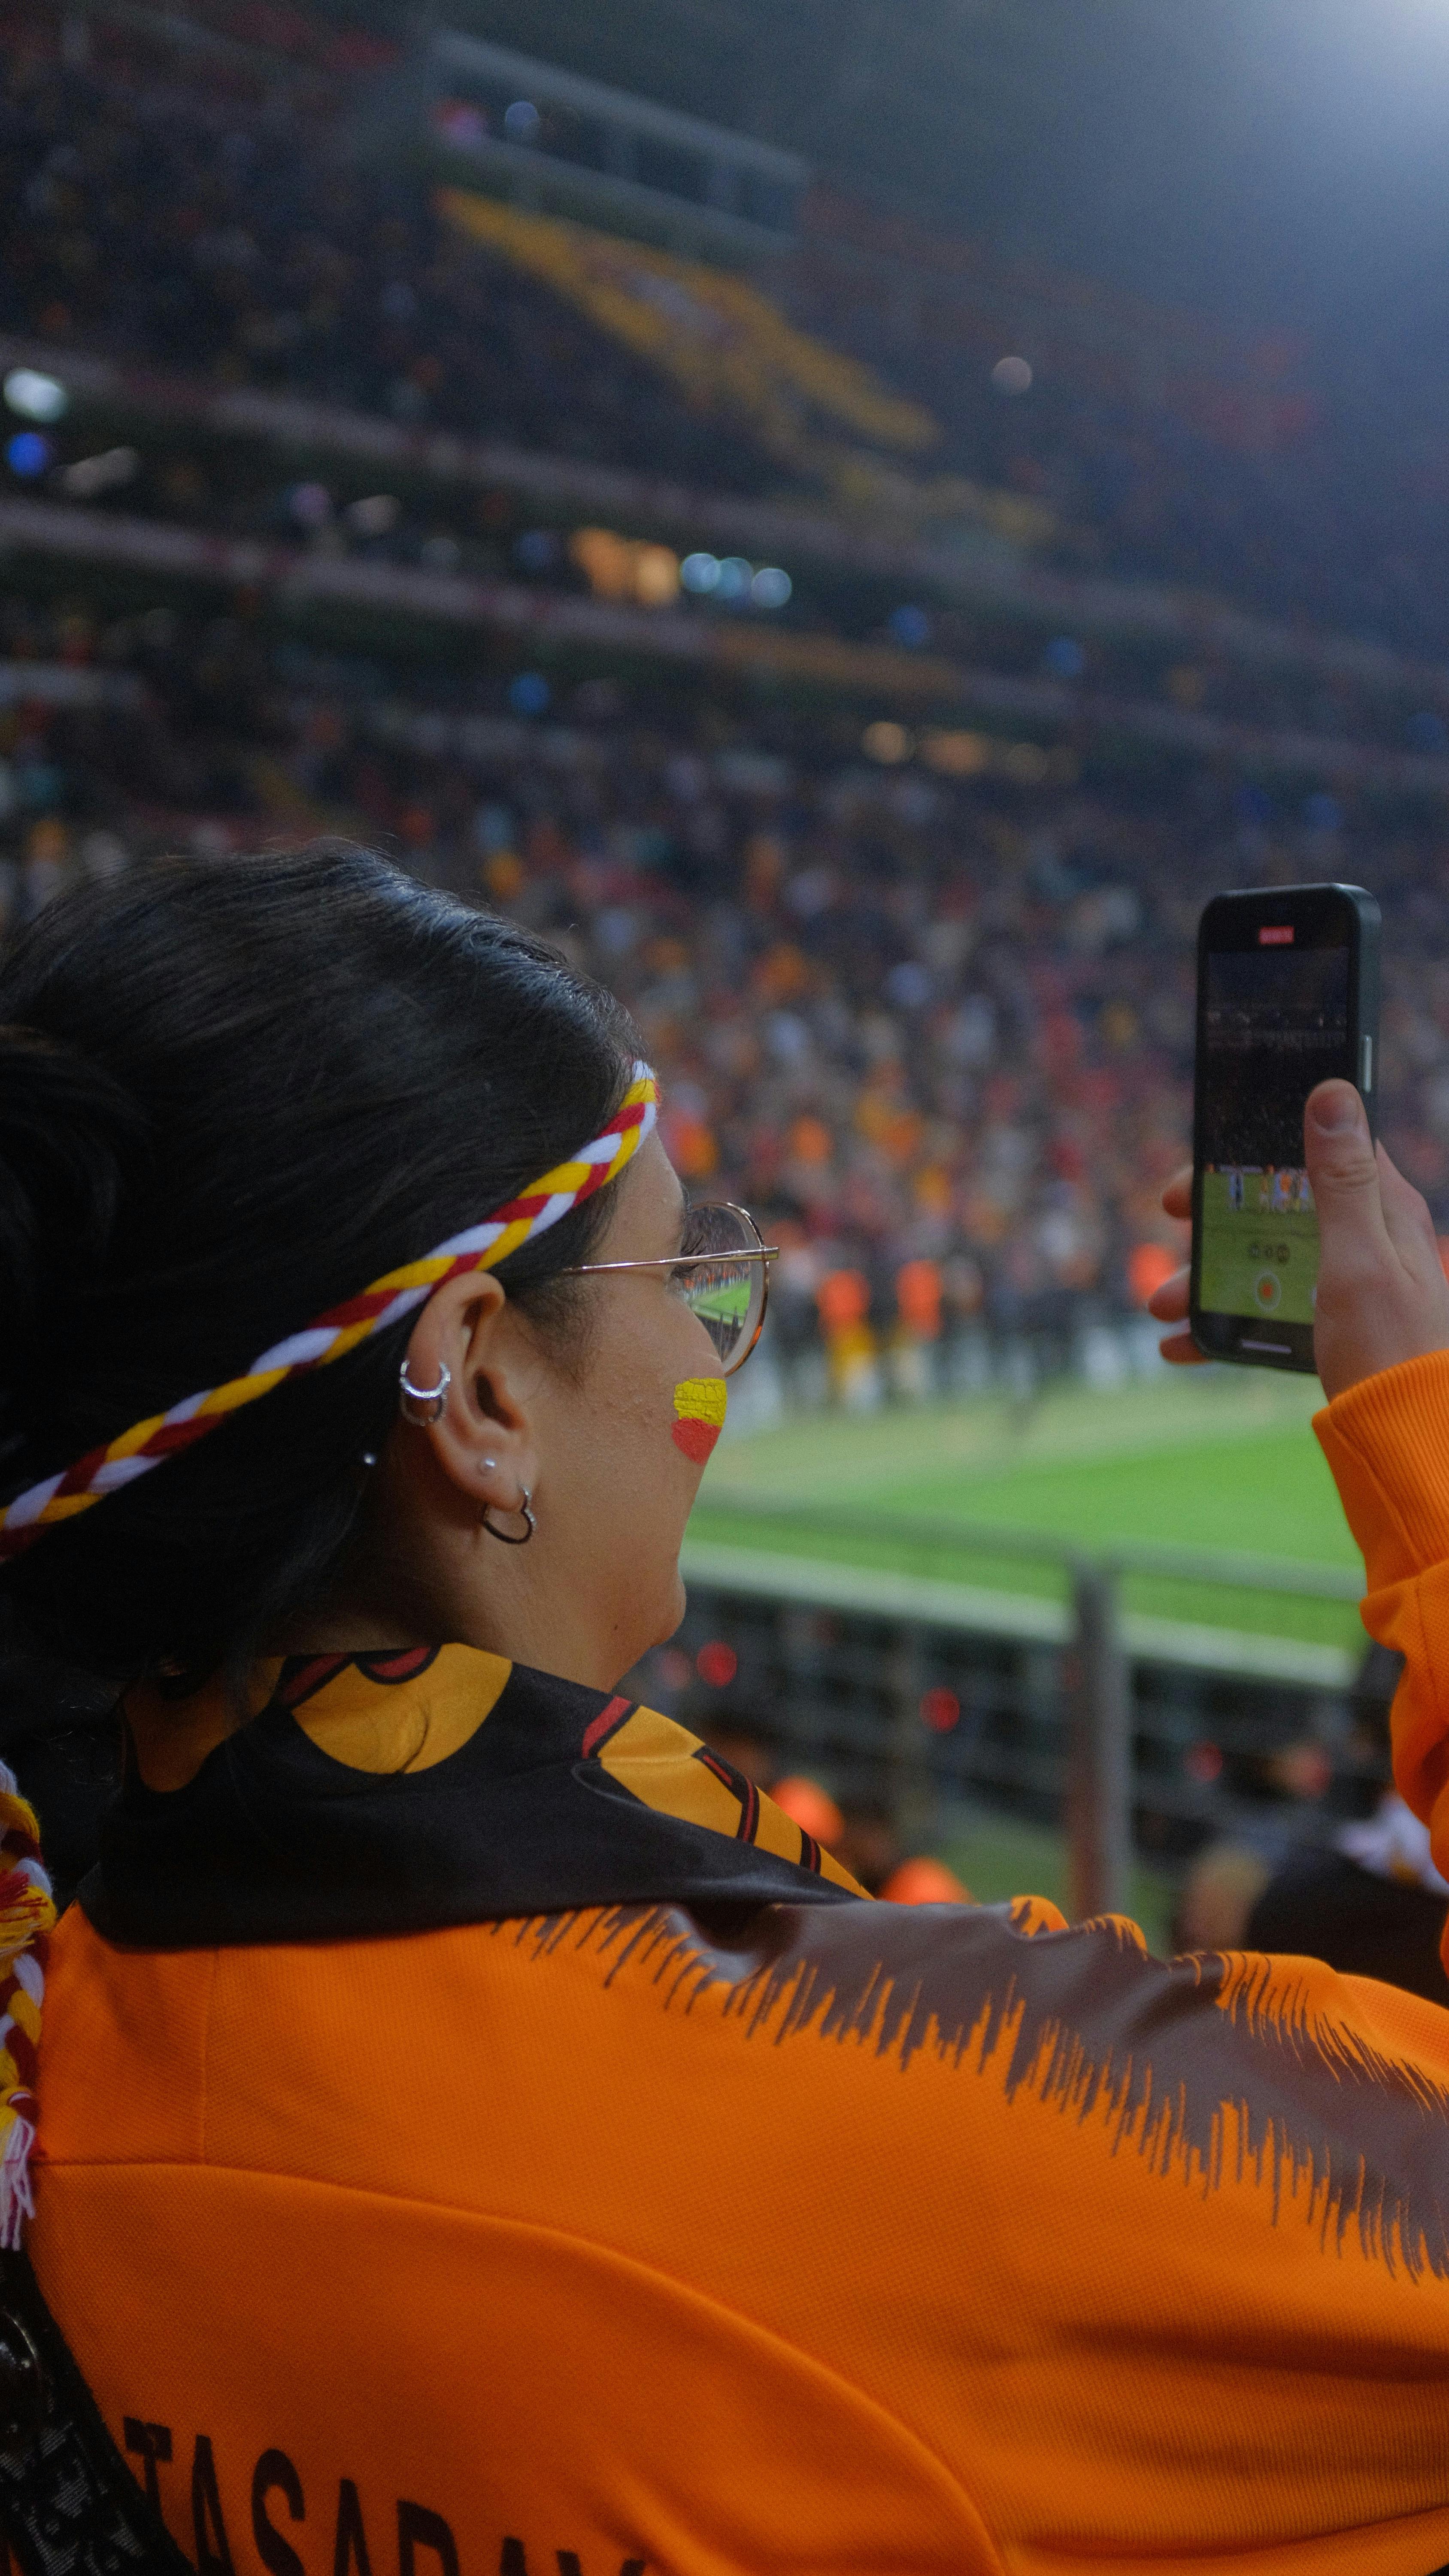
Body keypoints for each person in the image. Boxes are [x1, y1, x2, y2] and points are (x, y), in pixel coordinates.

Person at [8, 850, 1449, 2574]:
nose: (713, 1349)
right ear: (476, 1389)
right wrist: (1423, 1435)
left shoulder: (55, 2023)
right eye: (679, 1279)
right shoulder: (944, 2102)